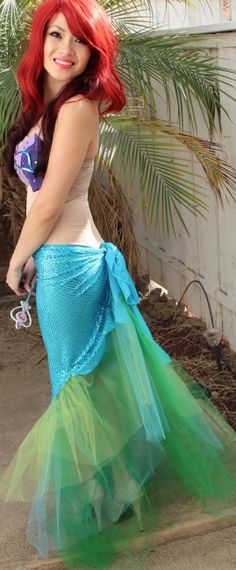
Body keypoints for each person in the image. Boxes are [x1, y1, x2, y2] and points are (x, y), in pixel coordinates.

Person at [1, 0, 236, 568]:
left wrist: (15, 261)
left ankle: (105, 498)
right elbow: (48, 199)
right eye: (55, 35)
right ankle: (115, 488)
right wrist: (36, 258)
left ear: (94, 53)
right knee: (86, 378)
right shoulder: (54, 104)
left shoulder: (79, 105)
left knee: (76, 385)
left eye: (79, 41)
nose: (65, 49)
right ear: (41, 40)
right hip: (64, 259)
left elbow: (51, 202)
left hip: (68, 264)